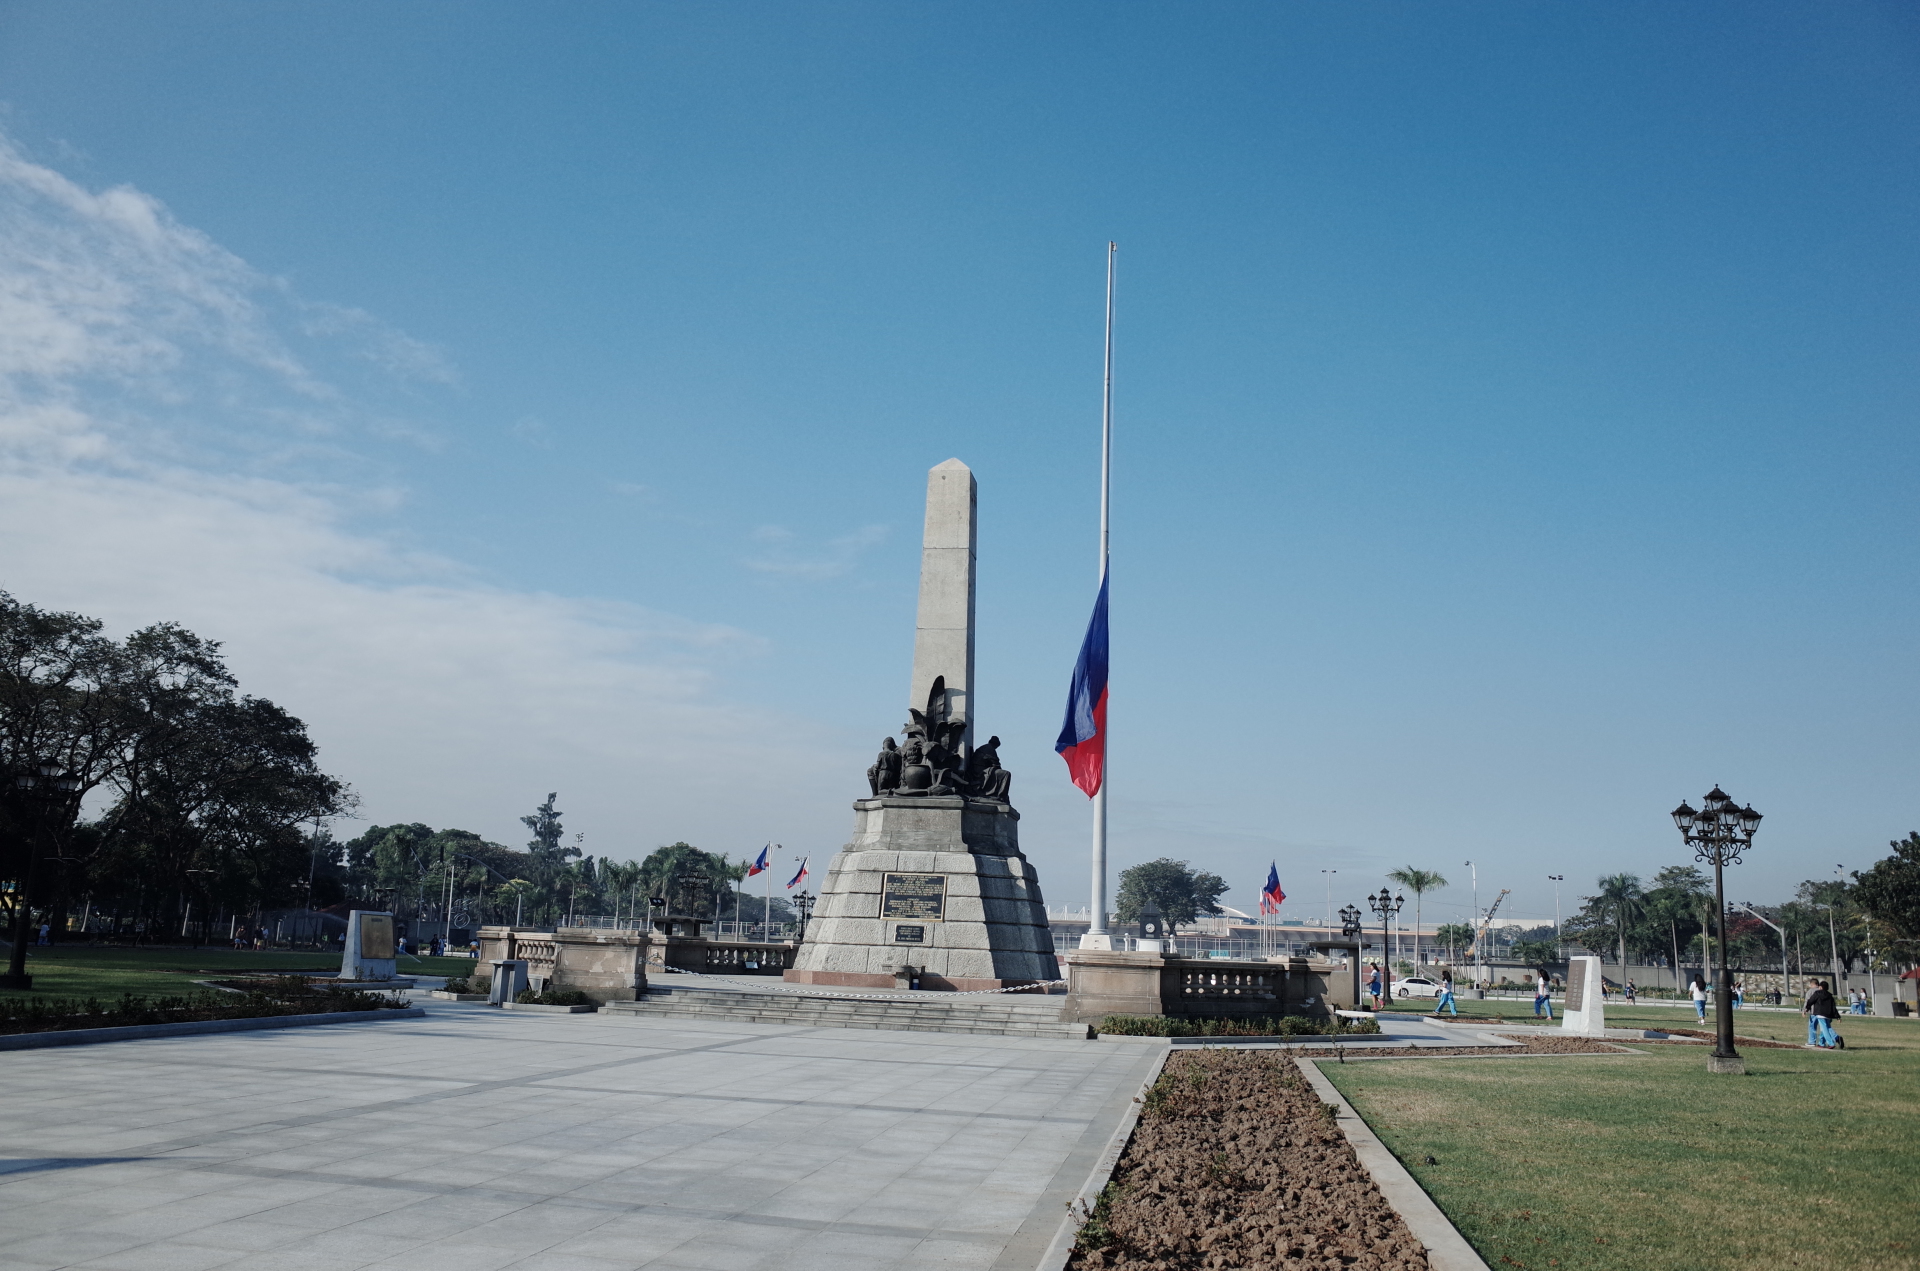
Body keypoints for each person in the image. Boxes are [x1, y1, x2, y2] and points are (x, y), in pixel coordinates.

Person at [1805, 979, 1841, 1048]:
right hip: (1828, 1015)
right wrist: (1837, 1017)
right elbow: (1833, 1007)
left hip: (1820, 1014)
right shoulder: (1830, 995)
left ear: (1821, 987)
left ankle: (1831, 1043)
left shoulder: (1817, 993)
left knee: (1824, 1029)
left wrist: (1807, 1008)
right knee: (1827, 1027)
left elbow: (1810, 1001)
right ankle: (1822, 1043)